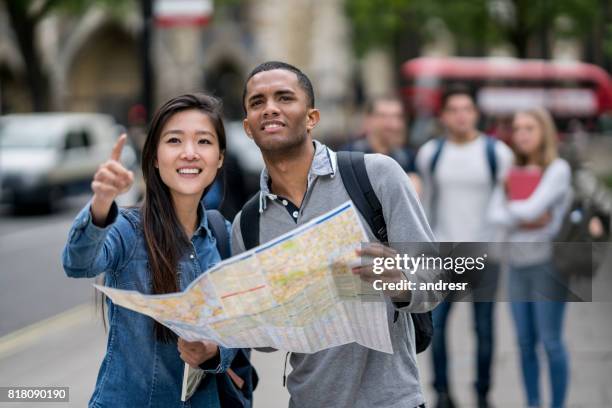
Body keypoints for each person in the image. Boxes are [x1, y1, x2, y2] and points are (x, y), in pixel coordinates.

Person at [232, 61, 445, 408]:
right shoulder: (248, 223)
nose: (270, 108)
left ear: (312, 117)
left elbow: (435, 279)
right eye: (258, 102)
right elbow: (265, 342)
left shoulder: (376, 176)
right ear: (247, 127)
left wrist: (400, 283)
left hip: (392, 401)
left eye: (284, 98)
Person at [62, 94, 239, 407]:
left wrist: (213, 352)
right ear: (155, 156)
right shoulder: (129, 230)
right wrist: (102, 202)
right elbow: (78, 263)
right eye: (174, 140)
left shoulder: (221, 233)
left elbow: (236, 326)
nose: (189, 153)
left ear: (220, 158)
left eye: (204, 142)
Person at [415, 86, 514, 408]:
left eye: (466, 109)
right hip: (444, 256)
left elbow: (503, 203)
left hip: (485, 255)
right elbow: (426, 204)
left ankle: (483, 393)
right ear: (443, 116)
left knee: (484, 329)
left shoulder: (497, 153)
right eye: (453, 109)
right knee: (438, 327)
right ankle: (442, 392)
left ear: (475, 114)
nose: (460, 115)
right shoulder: (431, 153)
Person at [488, 108, 572, 408]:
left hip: (549, 265)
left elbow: (532, 211)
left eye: (529, 128)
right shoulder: (510, 170)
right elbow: (494, 214)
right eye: (517, 128)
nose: (521, 134)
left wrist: (520, 213)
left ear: (544, 132)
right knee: (524, 343)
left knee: (550, 342)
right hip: (516, 266)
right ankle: (533, 403)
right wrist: (527, 217)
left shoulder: (558, 169)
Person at [343, 95, 421, 194]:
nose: (393, 124)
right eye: (383, 116)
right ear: (368, 119)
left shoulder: (407, 158)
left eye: (398, 116)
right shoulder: (349, 156)